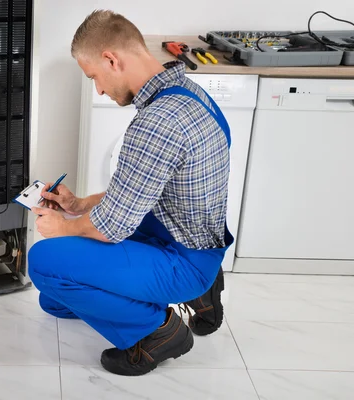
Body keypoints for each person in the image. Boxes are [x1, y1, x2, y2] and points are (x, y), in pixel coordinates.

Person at [27, 9, 233, 377]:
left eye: (95, 77)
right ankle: (196, 292)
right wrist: (78, 205)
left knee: (45, 263)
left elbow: (111, 229)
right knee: (54, 301)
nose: (100, 89)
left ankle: (158, 333)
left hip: (181, 257)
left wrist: (62, 226)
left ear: (111, 59)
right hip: (185, 235)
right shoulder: (188, 92)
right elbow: (143, 188)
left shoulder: (156, 124)